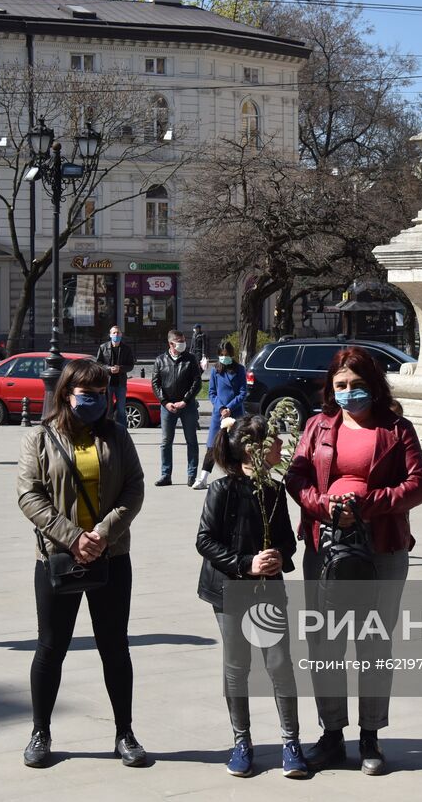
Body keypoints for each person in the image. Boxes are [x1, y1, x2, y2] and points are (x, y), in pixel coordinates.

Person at [285, 346, 422, 776]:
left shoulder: (397, 429)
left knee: (373, 644)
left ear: (374, 386)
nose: (349, 393)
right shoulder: (317, 426)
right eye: (341, 386)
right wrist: (324, 505)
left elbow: (418, 485)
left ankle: (370, 736)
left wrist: (367, 503)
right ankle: (331, 734)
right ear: (331, 388)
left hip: (382, 547)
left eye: (358, 386)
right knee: (325, 643)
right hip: (324, 546)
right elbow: (297, 477)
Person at [16, 358, 147, 768]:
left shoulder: (117, 437)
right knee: (51, 648)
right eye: (85, 394)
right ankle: (41, 732)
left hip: (111, 556)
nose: (93, 401)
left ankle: (124, 733)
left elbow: (134, 488)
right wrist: (73, 538)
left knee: (115, 648)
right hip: (57, 556)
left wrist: (102, 534)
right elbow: (28, 494)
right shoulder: (39, 438)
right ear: (66, 394)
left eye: (100, 394)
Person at [196, 415, 307, 779]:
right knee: (237, 667)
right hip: (229, 590)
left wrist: (278, 557)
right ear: (252, 450)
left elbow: (287, 541)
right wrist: (246, 563)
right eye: (273, 441)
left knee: (279, 664)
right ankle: (241, 742)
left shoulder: (274, 491)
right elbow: (205, 540)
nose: (280, 446)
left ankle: (291, 742)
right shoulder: (221, 490)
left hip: (268, 591)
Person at [152, 328, 202, 487]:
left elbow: (197, 382)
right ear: (171, 343)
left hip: (187, 406)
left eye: (183, 341)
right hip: (168, 406)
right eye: (179, 342)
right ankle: (166, 475)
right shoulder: (160, 360)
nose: (183, 344)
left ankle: (192, 475)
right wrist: (165, 402)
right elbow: (155, 383)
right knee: (166, 441)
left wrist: (185, 400)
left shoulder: (190, 359)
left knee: (191, 440)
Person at [195, 340, 248, 490]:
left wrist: (230, 408)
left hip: (235, 413)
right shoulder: (215, 370)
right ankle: (203, 478)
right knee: (212, 446)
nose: (224, 357)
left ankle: (235, 476)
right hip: (219, 415)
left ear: (231, 354)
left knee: (234, 445)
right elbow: (212, 392)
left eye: (227, 354)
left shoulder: (240, 369)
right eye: (221, 355)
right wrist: (221, 408)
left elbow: (243, 393)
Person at [95, 325, 136, 428]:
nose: (116, 335)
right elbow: (98, 364)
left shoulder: (126, 349)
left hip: (120, 383)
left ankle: (122, 431)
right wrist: (109, 368)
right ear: (110, 335)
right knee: (107, 408)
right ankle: (107, 429)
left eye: (118, 333)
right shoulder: (103, 347)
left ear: (121, 335)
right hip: (107, 383)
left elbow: (130, 365)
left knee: (121, 409)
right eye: (114, 333)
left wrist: (120, 369)